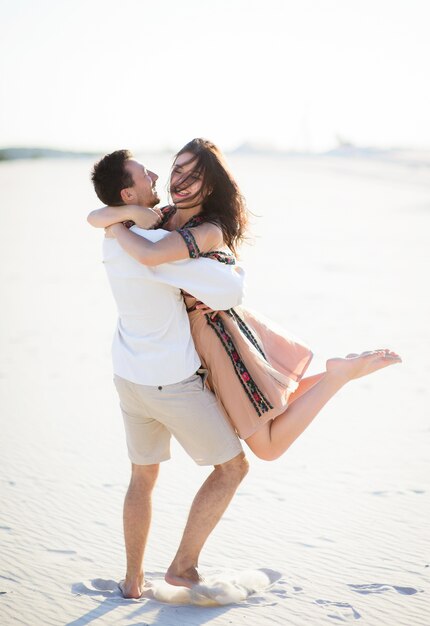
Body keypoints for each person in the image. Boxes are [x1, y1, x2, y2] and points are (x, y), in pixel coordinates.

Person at [89, 139, 401, 464]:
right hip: (203, 333)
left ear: (209, 187)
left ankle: (337, 376)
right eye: (177, 170)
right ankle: (334, 373)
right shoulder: (162, 216)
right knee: (270, 400)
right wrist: (125, 214)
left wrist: (117, 227)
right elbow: (93, 215)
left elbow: (150, 255)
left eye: (192, 175)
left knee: (266, 445)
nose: (176, 179)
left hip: (217, 337)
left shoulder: (207, 228)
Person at [90, 149, 249, 599]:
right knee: (232, 467)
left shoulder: (113, 234)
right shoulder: (156, 250)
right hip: (171, 382)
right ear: (128, 192)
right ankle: (183, 567)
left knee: (142, 478)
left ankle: (132, 580)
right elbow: (230, 291)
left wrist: (124, 217)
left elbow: (97, 215)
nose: (158, 175)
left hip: (128, 377)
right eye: (147, 173)